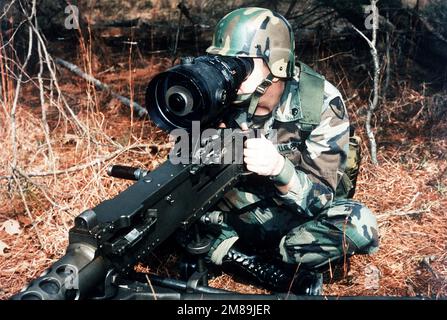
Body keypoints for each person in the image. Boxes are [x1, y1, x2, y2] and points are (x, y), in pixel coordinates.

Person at [201, 7, 379, 295]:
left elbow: (321, 198)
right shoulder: (219, 95)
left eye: (241, 64)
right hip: (236, 209)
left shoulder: (319, 102)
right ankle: (233, 254)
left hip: (295, 219)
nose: (230, 72)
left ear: (278, 64)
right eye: (224, 61)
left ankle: (246, 254)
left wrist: (279, 169)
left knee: (359, 224)